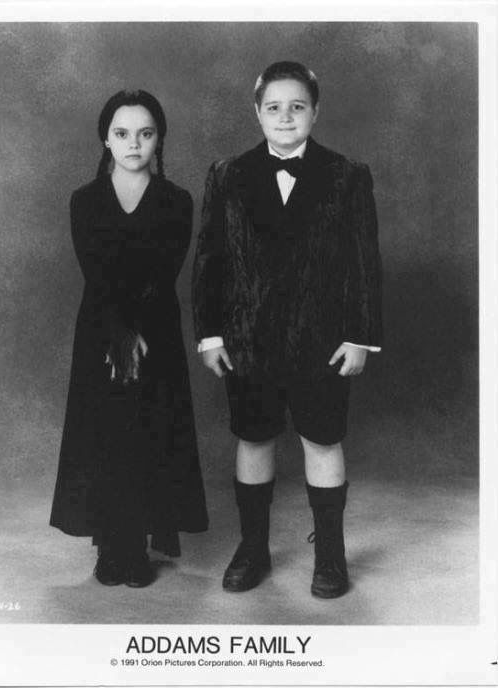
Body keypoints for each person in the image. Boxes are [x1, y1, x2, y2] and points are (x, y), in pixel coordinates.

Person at [192, 62, 382, 599]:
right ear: (257, 112)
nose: (285, 116)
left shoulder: (347, 175)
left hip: (322, 342)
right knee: (254, 438)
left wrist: (359, 335)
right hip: (247, 341)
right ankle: (253, 548)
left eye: (297, 106)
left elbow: (364, 261)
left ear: (315, 111)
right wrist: (211, 335)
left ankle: (330, 556)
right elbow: (210, 260)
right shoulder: (227, 174)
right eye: (273, 107)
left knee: (323, 440)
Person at [50, 90, 208, 588]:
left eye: (145, 133)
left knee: (149, 430)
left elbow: (163, 272)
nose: (133, 143)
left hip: (155, 330)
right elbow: (96, 272)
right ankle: (110, 545)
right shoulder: (85, 200)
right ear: (106, 138)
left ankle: (137, 544)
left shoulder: (176, 200)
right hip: (100, 329)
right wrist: (118, 334)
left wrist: (138, 334)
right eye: (122, 133)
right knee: (105, 433)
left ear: (159, 138)